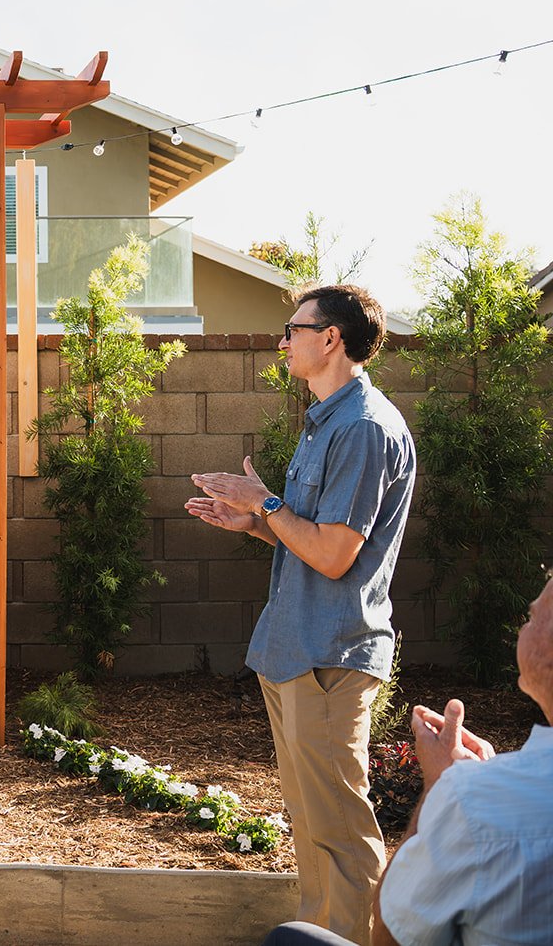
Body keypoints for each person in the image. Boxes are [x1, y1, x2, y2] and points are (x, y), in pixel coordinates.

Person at [188, 285, 415, 945]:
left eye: (292, 328)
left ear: (331, 338)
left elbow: (338, 555)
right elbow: (308, 540)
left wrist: (265, 503)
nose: (282, 341)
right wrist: (253, 522)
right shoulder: (327, 421)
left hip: (330, 654)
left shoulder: (364, 427)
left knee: (341, 835)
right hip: (292, 650)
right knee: (314, 831)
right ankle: (322, 936)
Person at [262, 576, 553, 946]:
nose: (521, 627)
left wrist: (440, 786)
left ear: (546, 653)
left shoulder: (474, 800)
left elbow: (393, 935)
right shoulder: (485, 795)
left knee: (288, 939)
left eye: (531, 619)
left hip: (329, 656)